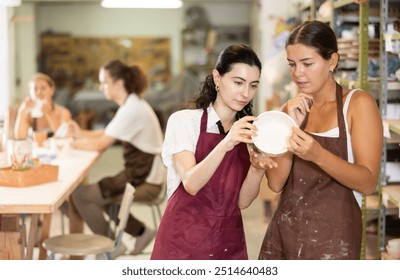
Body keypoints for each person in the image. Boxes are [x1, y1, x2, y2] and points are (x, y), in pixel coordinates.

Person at [258, 20, 383, 260]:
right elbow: (275, 184)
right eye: (292, 64)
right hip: (285, 232)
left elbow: (367, 183)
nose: (297, 73)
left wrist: (318, 155)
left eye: (307, 63)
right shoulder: (292, 109)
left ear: (332, 61)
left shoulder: (357, 104)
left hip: (334, 241)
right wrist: (290, 124)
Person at [151, 44, 273, 260]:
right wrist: (227, 142)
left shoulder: (249, 132)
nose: (246, 93)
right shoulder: (183, 122)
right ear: (217, 78)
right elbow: (191, 183)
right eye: (238, 82)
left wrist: (257, 169)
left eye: (253, 85)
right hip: (183, 242)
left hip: (227, 242)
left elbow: (242, 202)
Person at [69, 59, 165, 256]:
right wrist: (79, 134)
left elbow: (102, 143)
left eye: (104, 82)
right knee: (96, 192)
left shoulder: (132, 108)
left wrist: (71, 143)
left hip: (146, 181)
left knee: (82, 195)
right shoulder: (131, 103)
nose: (101, 87)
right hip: (142, 174)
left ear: (119, 83)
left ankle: (111, 246)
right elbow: (107, 132)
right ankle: (140, 232)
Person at [14, 73, 72, 139]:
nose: (39, 92)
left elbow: (63, 136)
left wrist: (49, 113)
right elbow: (20, 137)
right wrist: (22, 113)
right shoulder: (26, 112)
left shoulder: (63, 112)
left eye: (43, 88)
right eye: (35, 89)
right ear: (30, 92)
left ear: (52, 90)